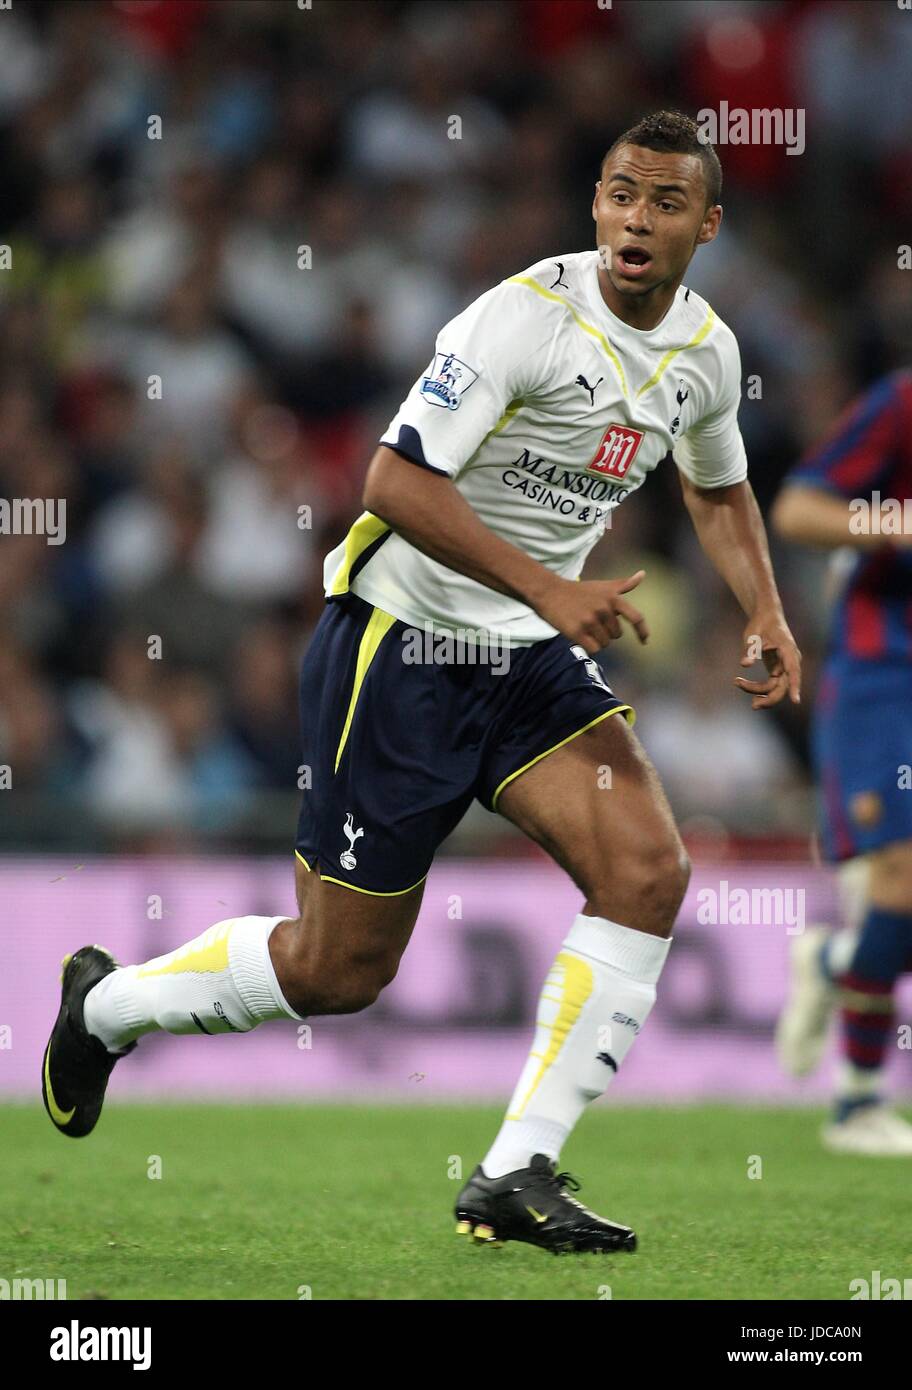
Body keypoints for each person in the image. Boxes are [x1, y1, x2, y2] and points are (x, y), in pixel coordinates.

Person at [43, 111, 800, 1254]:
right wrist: (550, 589)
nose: (635, 219)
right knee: (337, 969)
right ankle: (105, 1007)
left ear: (708, 223)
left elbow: (717, 484)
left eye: (663, 201)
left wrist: (765, 607)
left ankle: (513, 1171)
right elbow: (392, 480)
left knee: (648, 867)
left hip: (531, 663)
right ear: (595, 203)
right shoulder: (521, 319)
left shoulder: (707, 352)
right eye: (618, 193)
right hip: (405, 646)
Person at [773, 368, 912, 1156]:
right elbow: (798, 509)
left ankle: (833, 959)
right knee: (903, 875)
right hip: (884, 671)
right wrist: (898, 522)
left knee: (900, 908)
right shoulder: (901, 402)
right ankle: (858, 1102)